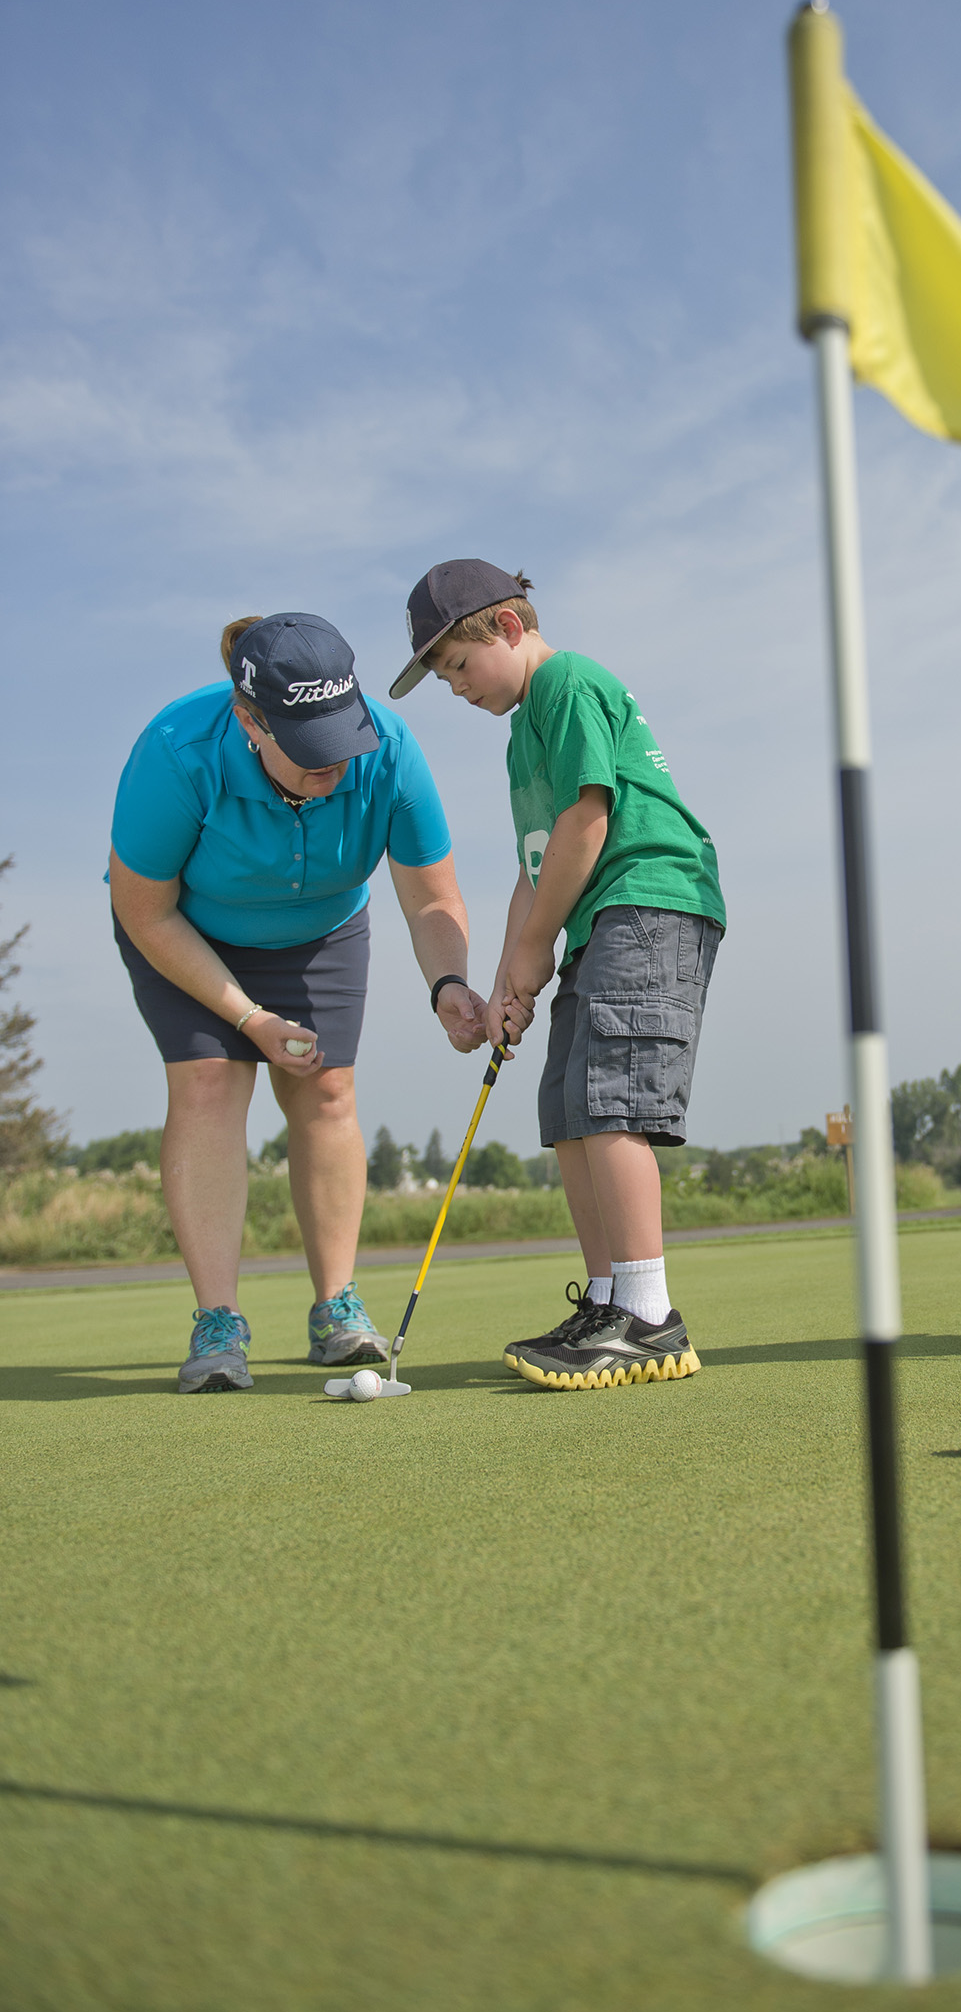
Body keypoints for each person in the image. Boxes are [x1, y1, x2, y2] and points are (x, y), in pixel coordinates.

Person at [110, 612, 491, 1394]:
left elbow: (430, 898)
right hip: (187, 931)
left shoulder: (390, 749)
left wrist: (447, 982)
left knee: (327, 1088)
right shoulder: (177, 752)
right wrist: (247, 1017)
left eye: (342, 741)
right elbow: (144, 910)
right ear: (251, 721)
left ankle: (336, 1306)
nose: (336, 768)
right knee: (211, 1082)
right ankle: (218, 1319)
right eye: (311, 753)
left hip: (323, 929)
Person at [390, 558, 725, 1389]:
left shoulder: (570, 682)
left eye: (458, 667)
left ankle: (650, 1316)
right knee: (571, 1111)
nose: (456, 689)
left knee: (611, 1100)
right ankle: (609, 1300)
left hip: (650, 899)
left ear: (507, 627)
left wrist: (537, 950)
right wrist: (509, 981)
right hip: (595, 917)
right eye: (442, 679)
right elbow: (534, 867)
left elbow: (587, 818)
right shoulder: (519, 738)